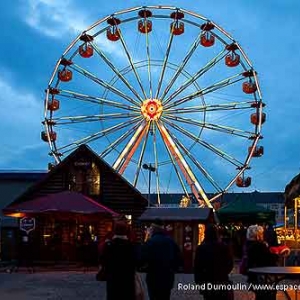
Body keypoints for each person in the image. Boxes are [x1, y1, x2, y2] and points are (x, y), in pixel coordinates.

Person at [141, 219, 182, 300]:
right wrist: (173, 269)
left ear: (154, 229)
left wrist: (145, 267)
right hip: (167, 279)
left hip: (153, 279)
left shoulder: (150, 242)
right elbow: (178, 259)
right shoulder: (170, 241)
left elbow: (142, 259)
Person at [99, 221, 138, 300]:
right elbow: (136, 262)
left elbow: (102, 261)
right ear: (126, 231)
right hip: (127, 281)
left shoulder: (109, 245)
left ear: (115, 231)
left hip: (113, 280)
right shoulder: (130, 245)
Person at [194, 224, 233, 300]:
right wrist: (223, 272)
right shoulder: (224, 247)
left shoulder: (201, 248)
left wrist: (199, 282)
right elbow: (230, 264)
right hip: (221, 281)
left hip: (207, 281)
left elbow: (197, 267)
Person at [244, 225, 277, 300]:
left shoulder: (248, 244)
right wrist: (277, 255)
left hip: (253, 277)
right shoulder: (259, 245)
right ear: (257, 235)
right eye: (261, 234)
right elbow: (268, 260)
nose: (263, 235)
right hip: (262, 277)